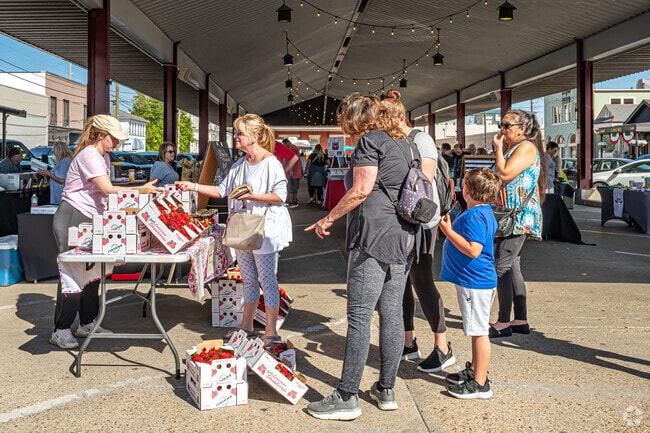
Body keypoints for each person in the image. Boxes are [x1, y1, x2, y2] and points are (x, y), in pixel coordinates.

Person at [305, 92, 418, 420]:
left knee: (359, 316)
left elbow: (360, 189)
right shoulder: (403, 143)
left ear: (354, 118)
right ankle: (386, 389)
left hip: (372, 237)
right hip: (403, 236)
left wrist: (328, 218)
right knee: (392, 314)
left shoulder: (370, 142)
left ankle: (347, 395)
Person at [177, 113, 292, 342]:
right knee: (249, 279)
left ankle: (271, 331)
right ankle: (246, 325)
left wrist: (251, 195)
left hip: (265, 229)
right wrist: (192, 186)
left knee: (267, 279)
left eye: (240, 133)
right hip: (242, 227)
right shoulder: (240, 164)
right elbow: (221, 191)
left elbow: (280, 195)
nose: (235, 137)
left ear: (255, 136)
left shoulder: (270, 163)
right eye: (235, 132)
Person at [50, 114, 161, 349]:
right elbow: (108, 190)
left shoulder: (104, 156)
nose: (117, 143)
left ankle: (88, 321)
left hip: (90, 216)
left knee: (92, 271)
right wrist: (142, 189)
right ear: (101, 135)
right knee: (73, 273)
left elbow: (105, 192)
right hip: (73, 215)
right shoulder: (90, 154)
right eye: (114, 138)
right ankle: (61, 328)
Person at [380, 92, 455, 373]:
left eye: (386, 121)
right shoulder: (399, 140)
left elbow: (421, 179)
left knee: (422, 280)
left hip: (424, 220)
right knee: (401, 282)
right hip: (404, 218)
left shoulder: (421, 139)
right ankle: (408, 342)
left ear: (400, 118)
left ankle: (443, 347)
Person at [438, 167, 501, 399]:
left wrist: (447, 231)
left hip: (475, 282)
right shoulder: (483, 213)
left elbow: (473, 249)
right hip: (476, 282)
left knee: (479, 331)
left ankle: (480, 383)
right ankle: (476, 370)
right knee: (477, 329)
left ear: (466, 190)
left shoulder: (475, 215)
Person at [489, 109, 546, 338]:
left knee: (501, 266)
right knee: (512, 266)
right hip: (510, 215)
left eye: (506, 125)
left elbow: (504, 174)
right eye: (500, 125)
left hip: (518, 217)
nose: (502, 130)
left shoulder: (525, 147)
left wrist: (498, 150)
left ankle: (503, 322)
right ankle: (520, 319)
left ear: (522, 129)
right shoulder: (515, 147)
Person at [282, 138, 302, 208]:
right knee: (294, 188)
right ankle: (294, 201)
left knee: (291, 188)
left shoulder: (292, 149)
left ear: (287, 143)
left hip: (292, 172)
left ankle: (291, 202)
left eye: (284, 144)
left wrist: (290, 170)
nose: (284, 146)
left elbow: (291, 160)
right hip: (295, 172)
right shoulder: (295, 148)